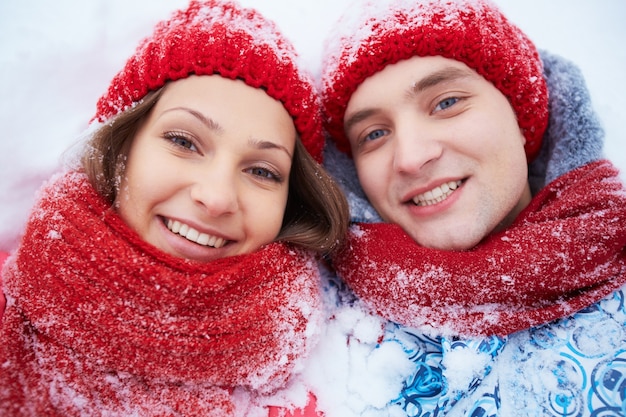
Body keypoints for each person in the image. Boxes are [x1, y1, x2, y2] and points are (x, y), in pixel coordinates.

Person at [0, 1, 349, 416]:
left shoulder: (337, 369)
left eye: (262, 171)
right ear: (123, 142)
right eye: (184, 141)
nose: (216, 198)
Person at [306, 0, 626, 415]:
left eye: (446, 103)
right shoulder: (315, 316)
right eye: (374, 133)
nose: (411, 157)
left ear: (519, 111)